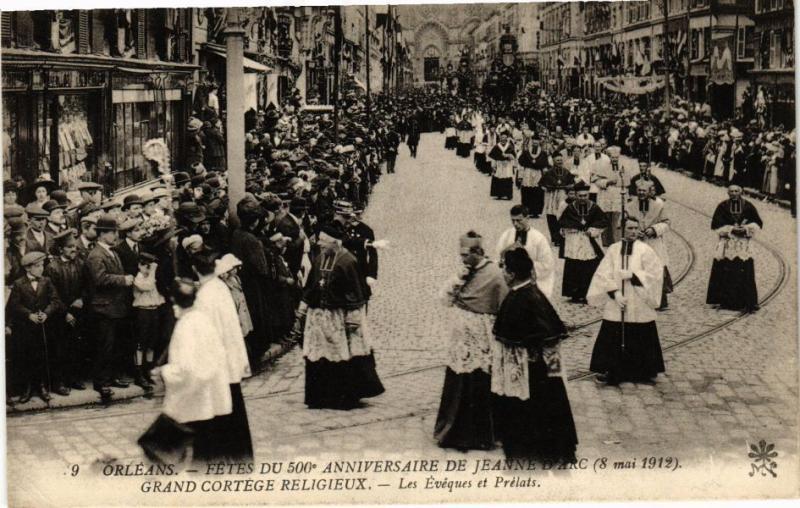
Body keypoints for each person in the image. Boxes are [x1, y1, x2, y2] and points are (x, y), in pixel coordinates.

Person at [491, 248, 577, 462]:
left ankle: (531, 454)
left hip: (532, 373)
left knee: (530, 413)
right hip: (538, 370)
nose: (503, 274)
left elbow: (536, 335)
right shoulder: (531, 292)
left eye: (504, 270)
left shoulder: (521, 297)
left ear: (511, 274)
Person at [138, 279, 232, 465]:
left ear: (174, 300)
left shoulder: (186, 326)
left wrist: (164, 373)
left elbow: (187, 369)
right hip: (210, 401)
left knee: (185, 456)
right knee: (205, 454)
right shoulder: (203, 319)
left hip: (193, 404)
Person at [293, 224, 385, 410]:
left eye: (323, 241)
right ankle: (319, 397)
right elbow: (311, 286)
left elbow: (355, 292)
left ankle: (342, 397)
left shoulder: (348, 261)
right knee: (318, 357)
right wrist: (302, 310)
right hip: (318, 317)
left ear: (334, 242)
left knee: (341, 355)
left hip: (338, 317)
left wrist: (353, 317)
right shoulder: (319, 259)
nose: (319, 244)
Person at [435, 231, 508, 450]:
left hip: (481, 340)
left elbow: (503, 306)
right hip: (460, 341)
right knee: (458, 383)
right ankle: (454, 432)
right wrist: (458, 279)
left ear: (478, 252)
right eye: (461, 255)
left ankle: (479, 436)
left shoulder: (495, 274)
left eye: (466, 255)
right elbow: (444, 299)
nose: (463, 259)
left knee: (477, 384)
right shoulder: (463, 272)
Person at [191, 248, 254, 462]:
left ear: (194, 270)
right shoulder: (220, 288)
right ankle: (238, 457)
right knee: (233, 413)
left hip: (214, 365)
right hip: (229, 362)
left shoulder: (204, 297)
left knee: (214, 415)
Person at [587, 217, 666, 385]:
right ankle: (611, 370)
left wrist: (634, 275)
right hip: (618, 301)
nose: (633, 232)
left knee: (641, 332)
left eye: (636, 228)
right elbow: (603, 274)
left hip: (639, 299)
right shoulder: (614, 250)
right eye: (629, 228)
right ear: (621, 229)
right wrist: (615, 293)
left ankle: (643, 370)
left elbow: (656, 273)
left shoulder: (645, 250)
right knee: (614, 332)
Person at [85, 214, 135, 401]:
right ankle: (102, 382)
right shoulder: (96, 255)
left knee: (113, 345)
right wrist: (123, 280)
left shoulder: (111, 251)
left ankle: (110, 378)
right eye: (113, 232)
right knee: (104, 346)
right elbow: (100, 279)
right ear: (103, 234)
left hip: (114, 306)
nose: (116, 236)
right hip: (103, 308)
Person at [6, 251, 63, 403]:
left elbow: (55, 300)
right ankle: (27, 389)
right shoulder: (19, 284)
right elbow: (14, 305)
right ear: (28, 268)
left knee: (43, 356)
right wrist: (28, 315)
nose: (41, 269)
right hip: (26, 328)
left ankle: (42, 387)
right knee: (27, 357)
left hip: (44, 327)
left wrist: (46, 313)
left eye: (42, 265)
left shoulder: (47, 281)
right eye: (37, 266)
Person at [706, 185, 763, 312]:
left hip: (743, 244)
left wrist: (746, 229)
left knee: (744, 271)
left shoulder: (748, 206)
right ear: (727, 193)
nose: (734, 193)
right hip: (728, 243)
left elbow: (757, 222)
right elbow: (716, 224)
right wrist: (731, 229)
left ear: (741, 192)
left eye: (736, 191)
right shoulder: (722, 206)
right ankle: (725, 301)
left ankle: (746, 301)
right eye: (731, 191)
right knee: (726, 270)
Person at [44, 230, 87, 395]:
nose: (73, 250)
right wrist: (65, 313)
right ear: (61, 249)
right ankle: (58, 382)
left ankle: (73, 378)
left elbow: (87, 286)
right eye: (69, 247)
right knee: (59, 349)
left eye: (75, 247)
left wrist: (82, 298)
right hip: (58, 316)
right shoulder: (52, 268)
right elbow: (52, 295)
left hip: (77, 312)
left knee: (75, 346)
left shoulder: (80, 263)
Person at [625, 181, 672, 310]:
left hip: (653, 242)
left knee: (656, 269)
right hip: (637, 242)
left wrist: (654, 229)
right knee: (636, 268)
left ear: (649, 191)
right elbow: (623, 221)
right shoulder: (629, 206)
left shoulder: (659, 205)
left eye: (644, 191)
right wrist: (633, 230)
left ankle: (658, 300)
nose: (641, 193)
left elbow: (667, 223)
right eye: (639, 190)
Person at [558, 182, 607, 303]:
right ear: (576, 195)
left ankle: (588, 293)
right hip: (574, 241)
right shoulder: (570, 208)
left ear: (588, 195)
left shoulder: (594, 207)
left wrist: (592, 230)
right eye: (580, 196)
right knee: (574, 266)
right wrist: (572, 228)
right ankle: (574, 293)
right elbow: (563, 223)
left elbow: (602, 221)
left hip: (589, 241)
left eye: (585, 195)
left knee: (589, 267)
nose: (583, 198)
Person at [495, 205, 555, 299]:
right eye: (513, 220)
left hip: (533, 281)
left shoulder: (539, 238)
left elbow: (547, 265)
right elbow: (498, 257)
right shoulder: (507, 235)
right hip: (510, 280)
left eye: (519, 220)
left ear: (527, 218)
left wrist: (523, 265)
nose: (515, 224)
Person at [131, 252, 164, 392]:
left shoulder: (152, 277)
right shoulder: (138, 279)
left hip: (153, 310)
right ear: (139, 265)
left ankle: (148, 370)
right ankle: (139, 373)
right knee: (141, 343)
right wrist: (153, 271)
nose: (147, 268)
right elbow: (147, 287)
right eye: (144, 265)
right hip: (142, 311)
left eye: (149, 265)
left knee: (151, 342)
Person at [540, 153, 578, 247]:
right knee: (552, 217)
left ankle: (562, 238)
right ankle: (555, 238)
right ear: (553, 161)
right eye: (557, 160)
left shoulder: (566, 172)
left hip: (563, 196)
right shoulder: (548, 172)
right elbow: (541, 184)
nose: (560, 162)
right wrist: (546, 188)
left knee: (563, 216)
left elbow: (572, 184)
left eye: (561, 160)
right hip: (552, 197)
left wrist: (568, 188)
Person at [516, 137, 549, 218]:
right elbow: (521, 164)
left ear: (539, 143)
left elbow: (545, 165)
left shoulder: (543, 153)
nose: (535, 144)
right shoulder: (526, 152)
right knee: (527, 191)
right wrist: (520, 176)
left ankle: (536, 211)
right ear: (531, 143)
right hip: (527, 172)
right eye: (534, 142)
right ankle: (526, 210)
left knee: (537, 191)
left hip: (538, 173)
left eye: (537, 143)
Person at [488, 131, 516, 200]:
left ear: (507, 138)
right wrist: (494, 164)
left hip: (507, 164)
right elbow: (492, 155)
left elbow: (514, 155)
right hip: (499, 164)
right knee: (499, 177)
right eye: (502, 137)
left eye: (505, 137)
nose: (503, 139)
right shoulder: (497, 146)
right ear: (500, 138)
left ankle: (508, 194)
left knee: (507, 177)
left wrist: (508, 155)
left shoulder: (509, 146)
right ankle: (499, 194)